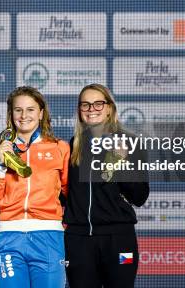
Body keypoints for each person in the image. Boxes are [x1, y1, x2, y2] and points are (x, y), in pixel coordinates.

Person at [0, 86, 70, 288]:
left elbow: (70, 195)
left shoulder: (59, 148)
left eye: (30, 109)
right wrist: (0, 165)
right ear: (11, 114)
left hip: (49, 237)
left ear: (40, 113)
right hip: (9, 238)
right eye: (18, 110)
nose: (24, 115)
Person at [64, 84, 149, 288]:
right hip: (79, 241)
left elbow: (140, 196)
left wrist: (122, 163)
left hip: (118, 239)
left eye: (98, 103)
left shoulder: (130, 142)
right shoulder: (74, 144)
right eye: (85, 105)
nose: (91, 109)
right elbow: (67, 194)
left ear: (110, 108)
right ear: (79, 110)